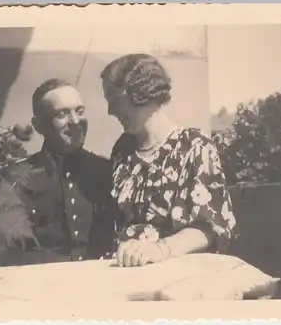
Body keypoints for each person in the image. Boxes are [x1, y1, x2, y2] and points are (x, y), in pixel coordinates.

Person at [100, 53, 237, 268]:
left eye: (114, 101)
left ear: (140, 92)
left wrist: (160, 248)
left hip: (174, 274)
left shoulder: (195, 147)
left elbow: (211, 227)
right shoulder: (122, 150)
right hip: (123, 270)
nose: (110, 111)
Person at [0, 78, 116, 265]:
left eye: (80, 111)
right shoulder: (17, 177)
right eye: (62, 114)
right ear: (38, 126)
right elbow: (6, 251)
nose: (75, 121)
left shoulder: (106, 171)